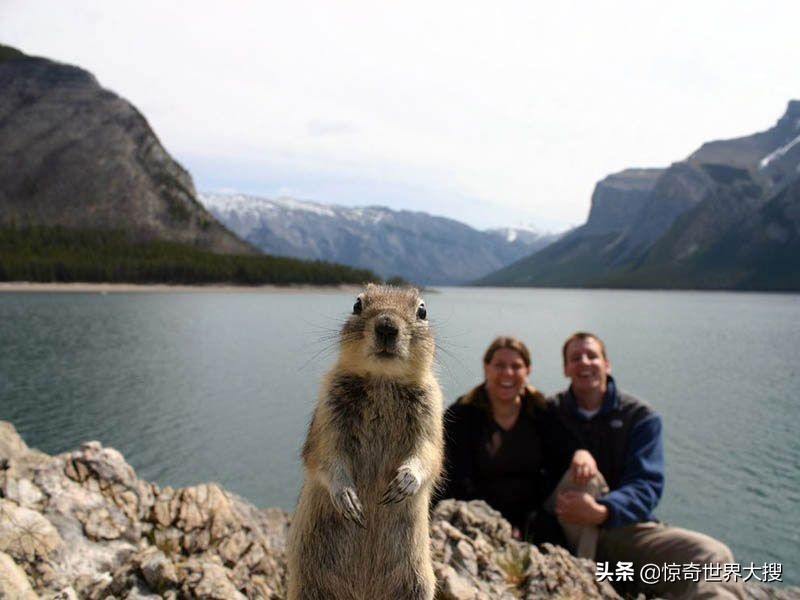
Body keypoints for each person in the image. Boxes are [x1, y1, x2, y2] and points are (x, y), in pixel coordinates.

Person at [548, 331, 745, 599]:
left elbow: (646, 485)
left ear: (607, 364)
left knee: (712, 555)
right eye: (575, 358)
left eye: (592, 356)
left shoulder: (639, 417)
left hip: (620, 530)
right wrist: (579, 455)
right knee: (583, 479)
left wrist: (603, 511)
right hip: (564, 526)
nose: (584, 362)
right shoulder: (550, 412)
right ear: (565, 369)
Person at [438, 336, 552, 538]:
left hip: (531, 519)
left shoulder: (542, 413)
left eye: (516, 366)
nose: (507, 373)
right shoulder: (461, 416)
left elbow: (559, 463)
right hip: (474, 518)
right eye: (499, 365)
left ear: (528, 371)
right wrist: (496, 524)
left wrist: (582, 455)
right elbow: (455, 479)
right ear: (486, 368)